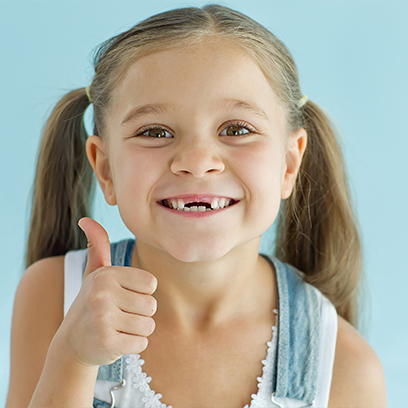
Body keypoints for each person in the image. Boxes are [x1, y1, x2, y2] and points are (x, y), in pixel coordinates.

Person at [6, 4, 386, 408]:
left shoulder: (347, 369)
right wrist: (74, 357)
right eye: (155, 132)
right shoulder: (52, 295)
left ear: (289, 164)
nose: (197, 160)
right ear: (106, 169)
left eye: (237, 129)